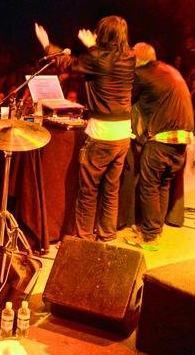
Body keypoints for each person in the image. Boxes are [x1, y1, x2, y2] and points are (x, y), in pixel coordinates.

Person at [35, 15, 135, 241]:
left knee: (89, 191)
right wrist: (93, 48)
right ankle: (107, 236)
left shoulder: (98, 58)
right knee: (111, 190)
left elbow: (67, 63)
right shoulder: (129, 57)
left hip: (102, 132)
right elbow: (104, 63)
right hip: (123, 133)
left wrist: (47, 44)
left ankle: (84, 240)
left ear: (104, 35)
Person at [123, 43, 194, 251]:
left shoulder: (142, 74)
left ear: (137, 59)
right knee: (162, 185)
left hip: (162, 139)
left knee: (149, 186)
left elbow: (126, 98)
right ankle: (155, 229)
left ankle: (150, 236)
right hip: (182, 140)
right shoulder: (170, 70)